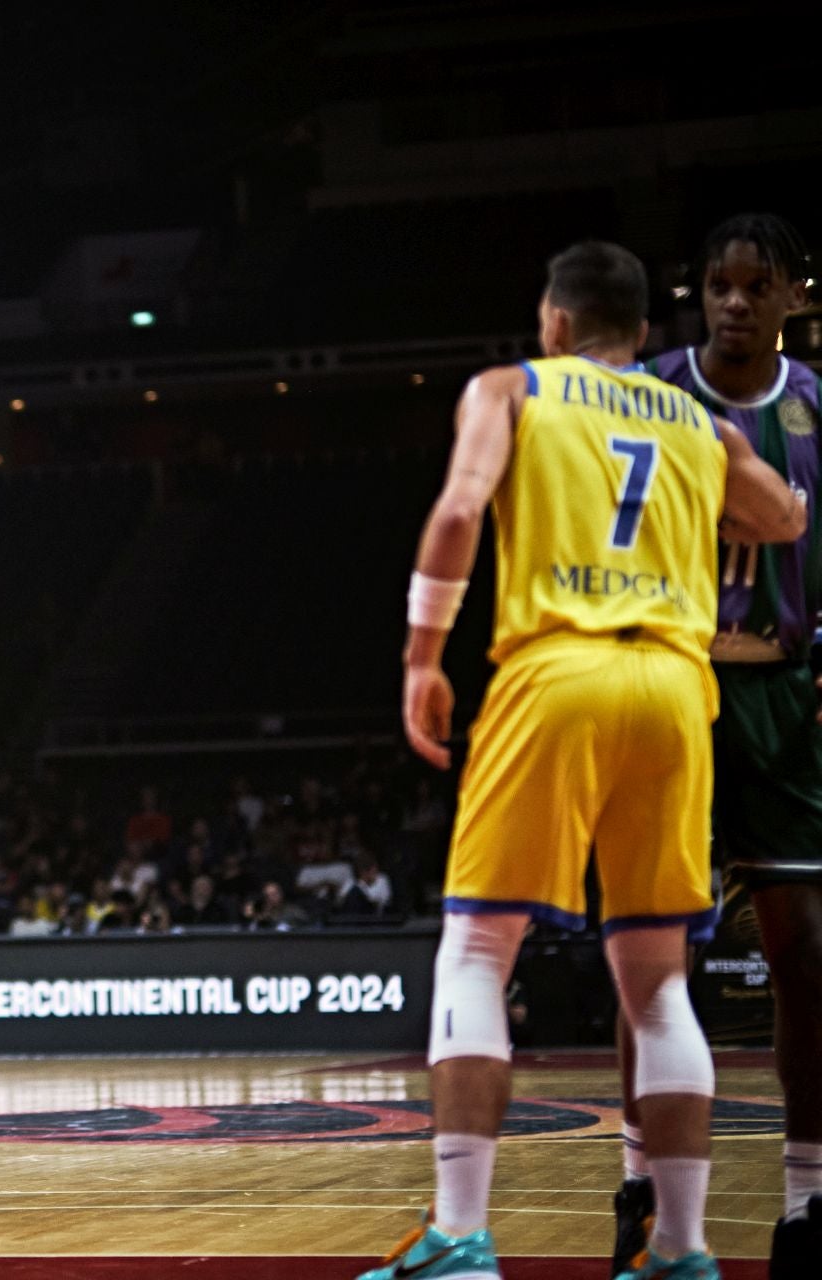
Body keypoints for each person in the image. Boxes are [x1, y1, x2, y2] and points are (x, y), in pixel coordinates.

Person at [359, 241, 806, 1280]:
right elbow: (784, 514)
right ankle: (685, 1246)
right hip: (673, 687)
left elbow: (462, 507)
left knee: (476, 949)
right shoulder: (698, 420)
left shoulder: (511, 387)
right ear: (643, 335)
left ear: (555, 322)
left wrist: (425, 657)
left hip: (555, 669)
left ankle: (461, 1232)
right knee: (656, 984)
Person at [615, 213, 822, 1279]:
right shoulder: (644, 394)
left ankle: (806, 1200)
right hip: (670, 687)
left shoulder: (819, 408)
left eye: (757, 283)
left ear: (792, 294)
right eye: (717, 283)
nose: (734, 300)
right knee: (655, 961)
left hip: (785, 693)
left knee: (805, 956)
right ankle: (638, 1184)